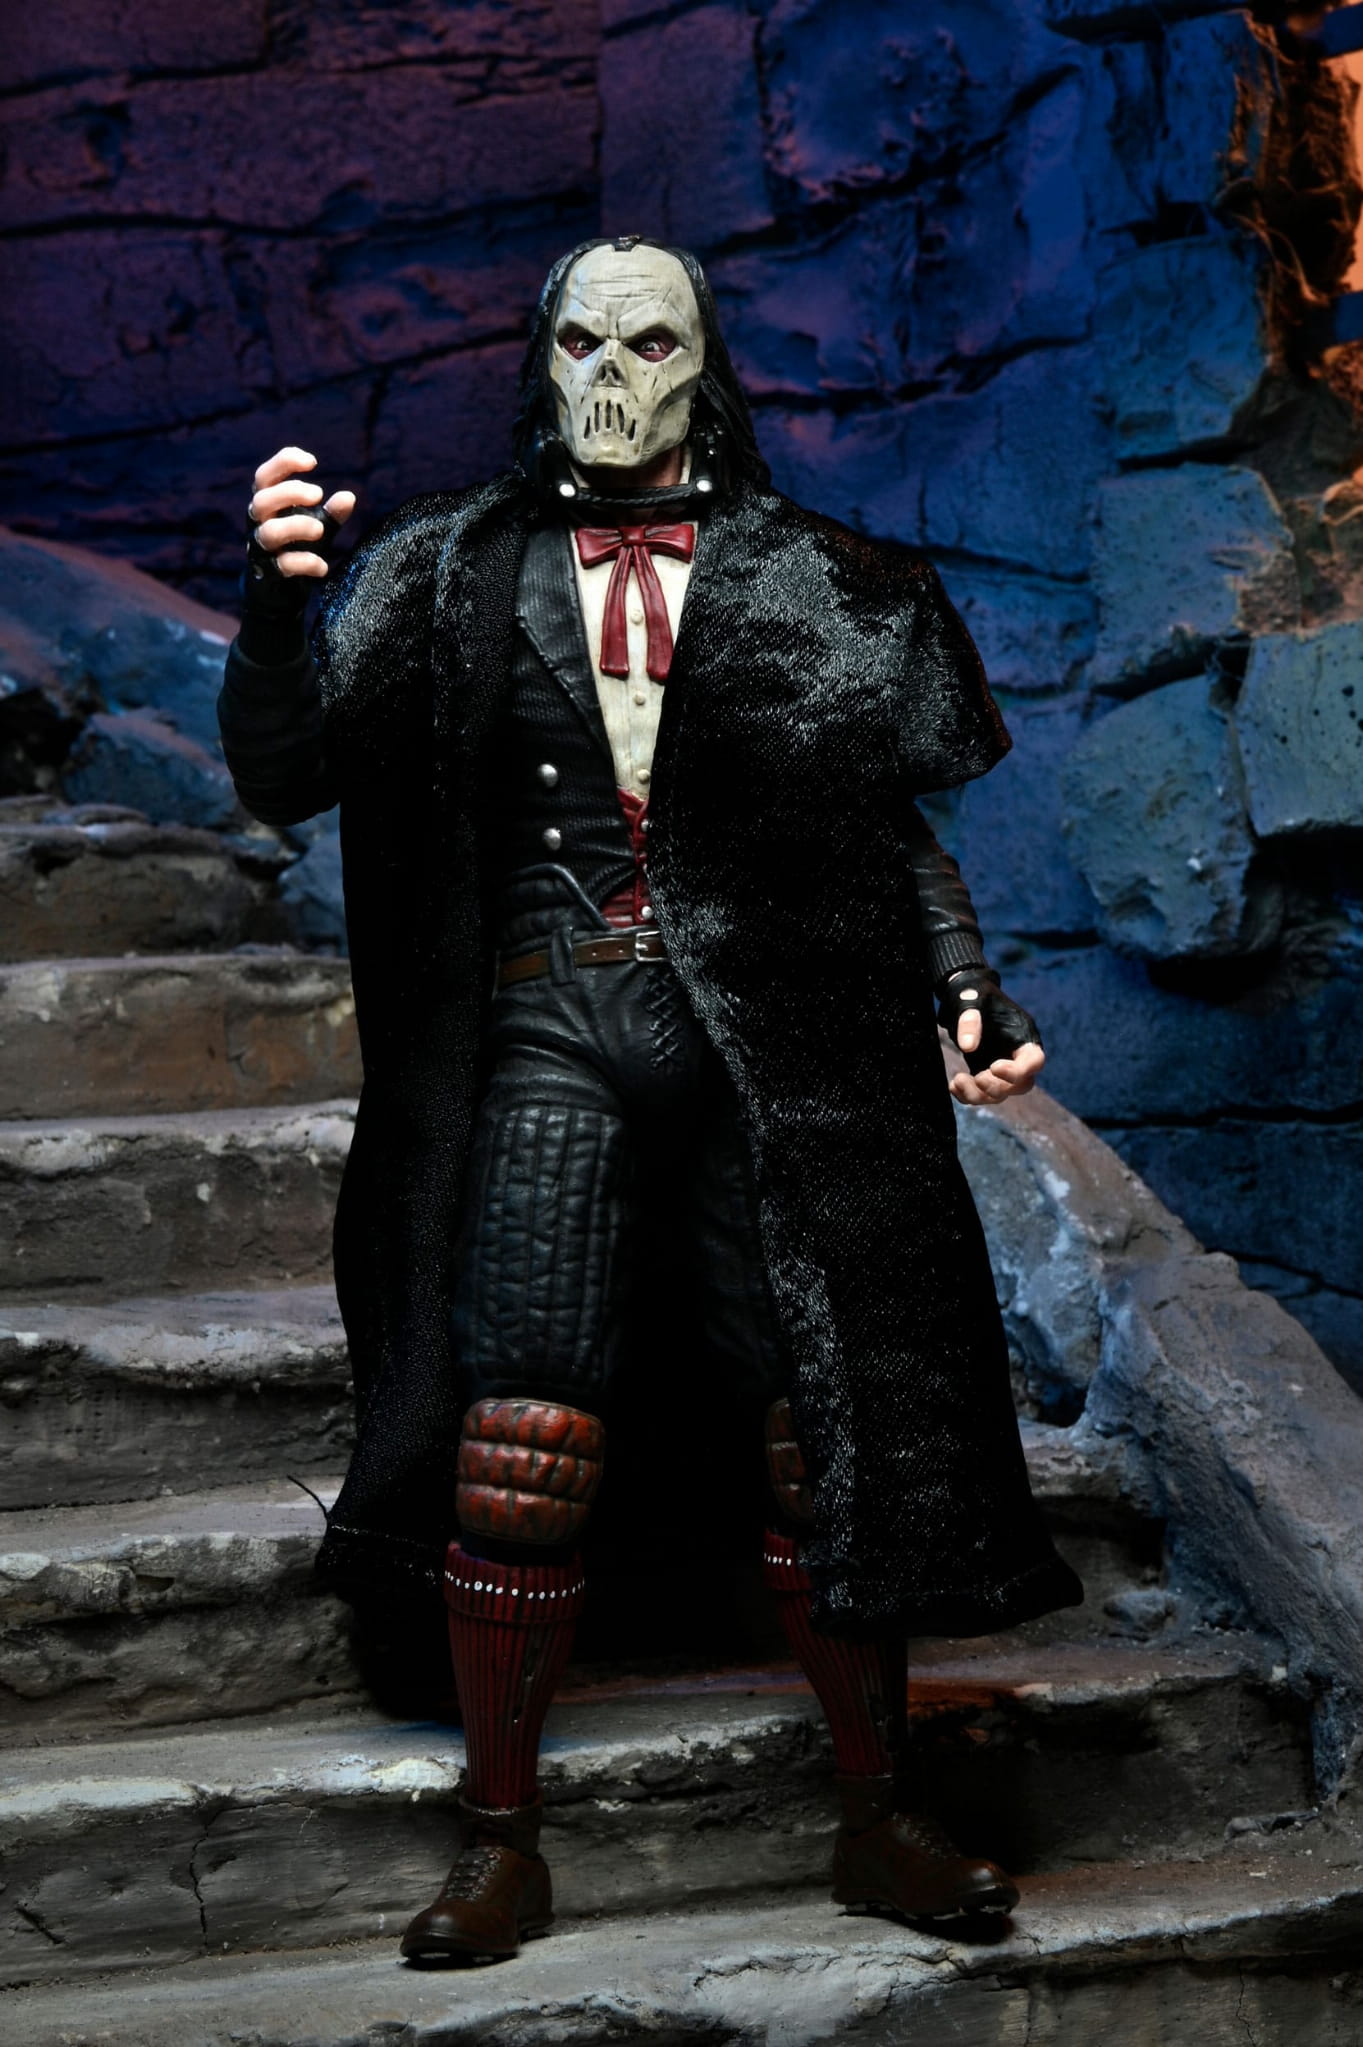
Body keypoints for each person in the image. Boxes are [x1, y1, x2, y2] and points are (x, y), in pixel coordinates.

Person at [218, 236, 1082, 1965]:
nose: (612, 377)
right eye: (582, 342)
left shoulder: (824, 582)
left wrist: (966, 985)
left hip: (768, 1048)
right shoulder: (441, 571)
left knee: (818, 1426)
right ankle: (500, 1843)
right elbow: (283, 769)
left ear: (705, 365)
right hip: (549, 1026)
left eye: (651, 342)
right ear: (540, 359)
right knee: (522, 1439)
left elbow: (888, 829)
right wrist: (274, 603)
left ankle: (878, 1814)